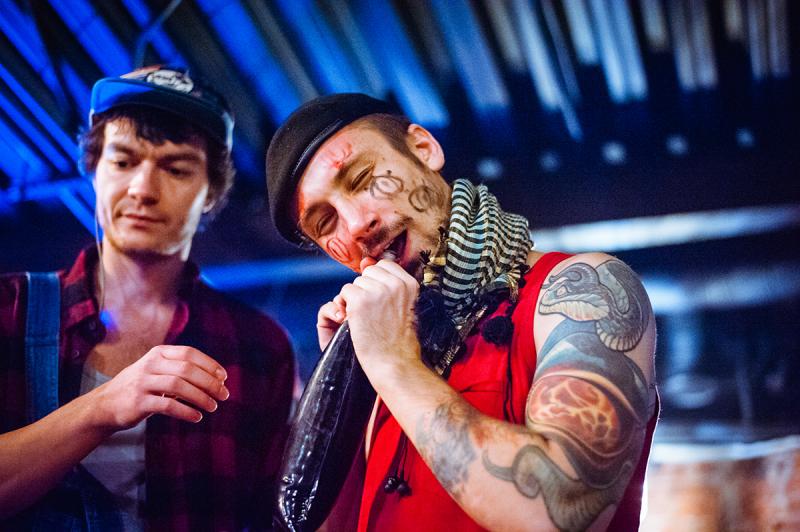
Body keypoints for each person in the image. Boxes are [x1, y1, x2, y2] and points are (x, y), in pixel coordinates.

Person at [266, 93, 659, 531]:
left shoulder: (583, 288)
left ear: (423, 148)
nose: (356, 225)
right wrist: (342, 385)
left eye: (362, 179)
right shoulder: (383, 359)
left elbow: (563, 511)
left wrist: (393, 365)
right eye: (326, 223)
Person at [0, 66, 295, 530]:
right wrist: (102, 407)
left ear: (211, 192)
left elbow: (273, 519)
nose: (143, 189)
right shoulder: (8, 310)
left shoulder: (260, 348)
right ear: (94, 170)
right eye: (123, 162)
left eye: (176, 169)